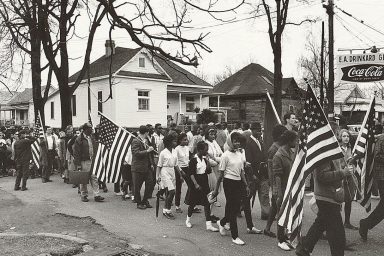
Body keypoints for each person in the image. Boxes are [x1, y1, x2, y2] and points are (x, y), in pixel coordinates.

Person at [296, 122, 353, 256]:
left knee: (320, 224)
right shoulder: (324, 152)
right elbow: (322, 176)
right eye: (337, 134)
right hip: (326, 196)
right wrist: (342, 173)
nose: (338, 137)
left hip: (329, 195)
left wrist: (344, 170)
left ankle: (304, 248)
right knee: (337, 233)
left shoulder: (331, 150)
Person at [213, 132, 250, 246]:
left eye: (238, 141)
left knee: (233, 207)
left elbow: (242, 171)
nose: (237, 143)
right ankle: (235, 236)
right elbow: (220, 175)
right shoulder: (225, 155)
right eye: (235, 141)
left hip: (238, 182)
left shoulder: (239, 153)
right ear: (230, 141)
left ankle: (222, 222)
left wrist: (246, 185)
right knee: (233, 210)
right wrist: (215, 190)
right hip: (228, 183)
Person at [272, 130, 297, 251]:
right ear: (289, 141)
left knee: (287, 213)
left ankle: (285, 236)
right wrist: (279, 193)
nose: (296, 142)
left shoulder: (289, 152)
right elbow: (277, 175)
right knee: (280, 214)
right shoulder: (279, 155)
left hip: (289, 187)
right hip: (282, 188)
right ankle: (280, 239)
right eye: (295, 140)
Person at [185, 141, 219, 231]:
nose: (206, 151)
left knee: (207, 203)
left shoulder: (204, 159)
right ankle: (188, 220)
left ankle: (209, 224)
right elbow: (191, 174)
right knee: (192, 203)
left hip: (204, 182)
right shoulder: (193, 160)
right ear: (200, 150)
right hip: (196, 182)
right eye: (205, 150)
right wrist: (196, 184)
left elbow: (208, 171)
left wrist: (208, 161)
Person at [359, 124, 384, 241]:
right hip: (382, 176)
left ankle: (366, 224)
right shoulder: (381, 139)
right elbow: (377, 156)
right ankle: (366, 224)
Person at [263, 124, 288, 238]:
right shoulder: (274, 148)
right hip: (277, 181)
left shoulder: (282, 146)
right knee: (279, 206)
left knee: (274, 206)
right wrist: (274, 186)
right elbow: (270, 168)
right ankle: (281, 233)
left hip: (283, 179)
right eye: (283, 134)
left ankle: (267, 228)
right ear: (279, 135)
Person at [245, 122, 270, 220]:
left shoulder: (261, 141)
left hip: (263, 172)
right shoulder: (249, 143)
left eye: (260, 130)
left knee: (264, 193)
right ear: (252, 130)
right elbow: (249, 160)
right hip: (254, 173)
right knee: (250, 193)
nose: (260, 132)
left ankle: (266, 212)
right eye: (257, 130)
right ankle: (240, 207)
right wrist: (253, 175)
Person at [73, 123, 104, 203]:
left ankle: (96, 195)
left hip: (92, 160)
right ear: (86, 129)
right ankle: (84, 195)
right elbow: (76, 153)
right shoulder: (79, 139)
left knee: (94, 177)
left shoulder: (92, 137)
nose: (92, 130)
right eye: (90, 128)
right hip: (84, 161)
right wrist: (78, 165)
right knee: (84, 178)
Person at [156, 134, 184, 219]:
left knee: (169, 192)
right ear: (168, 142)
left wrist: (180, 175)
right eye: (174, 141)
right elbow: (159, 165)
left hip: (172, 172)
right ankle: (167, 209)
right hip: (165, 172)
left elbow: (176, 165)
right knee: (172, 191)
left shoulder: (175, 151)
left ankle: (166, 210)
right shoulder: (163, 153)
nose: (176, 142)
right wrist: (157, 176)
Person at [338, 129, 358, 230]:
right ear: (340, 137)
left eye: (348, 136)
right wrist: (343, 168)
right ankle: (335, 223)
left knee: (349, 200)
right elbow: (335, 164)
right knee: (338, 200)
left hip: (349, 178)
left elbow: (354, 163)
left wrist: (353, 167)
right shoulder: (337, 149)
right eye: (344, 136)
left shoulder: (351, 148)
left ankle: (347, 222)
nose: (346, 138)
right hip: (340, 177)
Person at [131, 125, 155, 209]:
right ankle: (139, 202)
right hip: (138, 167)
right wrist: (147, 150)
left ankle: (145, 200)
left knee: (150, 183)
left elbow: (149, 155)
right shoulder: (136, 141)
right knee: (137, 186)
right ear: (146, 132)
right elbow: (136, 153)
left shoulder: (146, 141)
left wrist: (151, 163)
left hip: (147, 167)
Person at [204, 128, 223, 209]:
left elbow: (221, 153)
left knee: (218, 183)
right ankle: (211, 199)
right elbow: (206, 157)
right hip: (211, 166)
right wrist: (216, 161)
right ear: (207, 135)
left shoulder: (215, 142)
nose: (213, 136)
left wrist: (220, 159)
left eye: (214, 134)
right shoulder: (206, 143)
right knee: (212, 184)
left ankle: (215, 198)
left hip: (218, 165)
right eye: (211, 134)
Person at [174, 133, 190, 213]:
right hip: (179, 169)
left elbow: (187, 159)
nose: (186, 141)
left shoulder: (187, 148)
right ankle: (177, 206)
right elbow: (175, 162)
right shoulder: (176, 149)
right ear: (180, 140)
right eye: (184, 140)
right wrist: (181, 172)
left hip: (187, 168)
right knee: (178, 188)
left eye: (186, 139)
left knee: (191, 186)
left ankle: (189, 202)